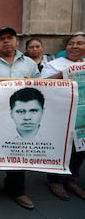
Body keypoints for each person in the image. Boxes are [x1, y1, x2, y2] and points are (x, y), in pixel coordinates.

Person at [0, 26, 40, 209]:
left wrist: (32, 84)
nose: (6, 41)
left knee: (18, 150)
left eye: (10, 38)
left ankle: (17, 190)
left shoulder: (29, 64)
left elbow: (41, 86)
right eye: (2, 38)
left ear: (16, 41)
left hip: (20, 118)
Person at [41, 32, 85, 201]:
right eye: (71, 43)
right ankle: (55, 180)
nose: (74, 46)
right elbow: (43, 86)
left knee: (80, 149)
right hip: (62, 115)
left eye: (79, 43)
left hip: (82, 117)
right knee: (61, 147)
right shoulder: (55, 65)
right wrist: (65, 74)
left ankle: (72, 179)